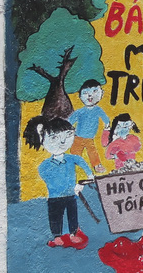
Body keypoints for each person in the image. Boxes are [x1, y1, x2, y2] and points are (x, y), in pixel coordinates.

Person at [23, 115, 94, 249]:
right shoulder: (45, 165)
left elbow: (83, 163)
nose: (62, 142)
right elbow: (46, 177)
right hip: (55, 197)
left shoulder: (72, 158)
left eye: (67, 135)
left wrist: (87, 178)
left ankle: (73, 233)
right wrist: (65, 186)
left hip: (71, 195)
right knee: (56, 216)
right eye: (55, 137)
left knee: (72, 214)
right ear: (43, 140)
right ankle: (57, 236)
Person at [68, 80, 110, 173]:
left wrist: (107, 126)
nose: (90, 96)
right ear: (80, 96)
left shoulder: (98, 109)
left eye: (95, 91)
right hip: (78, 136)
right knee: (75, 151)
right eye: (86, 93)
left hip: (90, 138)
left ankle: (97, 165)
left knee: (92, 152)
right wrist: (70, 129)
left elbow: (105, 118)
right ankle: (72, 165)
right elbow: (70, 121)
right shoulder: (80, 111)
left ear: (101, 94)